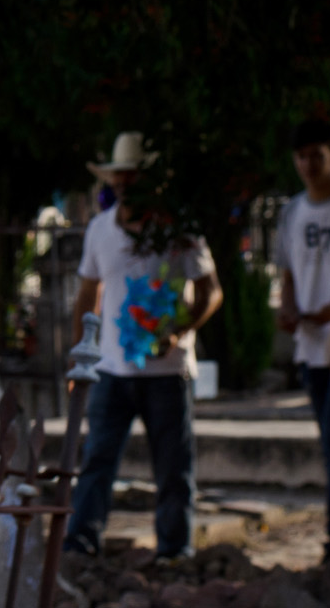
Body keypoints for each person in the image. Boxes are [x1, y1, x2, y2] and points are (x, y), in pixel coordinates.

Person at [63, 133, 223, 562]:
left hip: (168, 372)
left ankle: (175, 550)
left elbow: (211, 292)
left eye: (134, 175)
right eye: (120, 176)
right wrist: (81, 356)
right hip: (111, 370)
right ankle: (80, 544)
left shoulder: (180, 229)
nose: (125, 183)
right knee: (97, 461)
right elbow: (86, 296)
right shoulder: (100, 229)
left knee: (173, 469)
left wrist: (179, 331)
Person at [273, 118, 330, 560]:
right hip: (310, 347)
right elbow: (287, 272)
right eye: (301, 157)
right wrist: (289, 310)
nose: (308, 164)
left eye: (316, 155)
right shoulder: (291, 212)